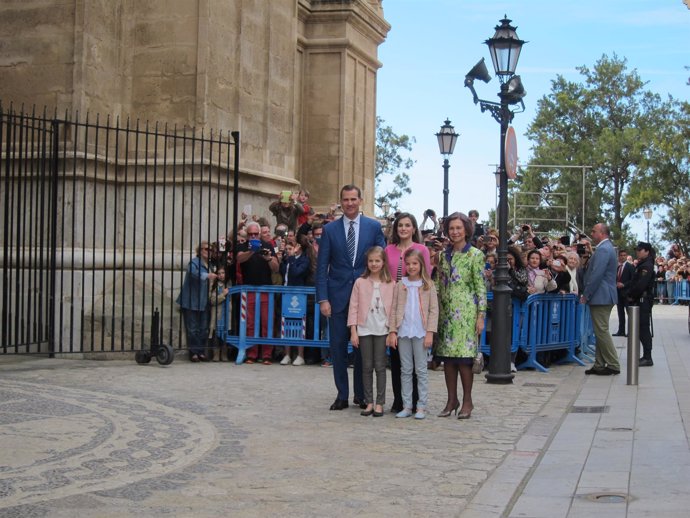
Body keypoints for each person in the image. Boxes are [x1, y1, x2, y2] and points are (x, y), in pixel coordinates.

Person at [316, 184, 386, 411]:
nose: (350, 203)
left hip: (365, 300)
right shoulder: (330, 230)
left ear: (361, 201)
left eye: (353, 199)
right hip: (336, 299)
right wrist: (323, 299)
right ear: (341, 202)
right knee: (337, 348)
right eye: (345, 199)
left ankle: (361, 395)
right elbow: (321, 267)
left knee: (362, 351)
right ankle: (341, 394)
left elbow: (381, 260)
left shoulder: (373, 227)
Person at [434, 212, 487, 420]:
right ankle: (451, 399)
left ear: (466, 229)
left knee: (464, 360)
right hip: (446, 313)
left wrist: (481, 315)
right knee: (448, 359)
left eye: (458, 228)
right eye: (451, 228)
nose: (455, 232)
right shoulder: (443, 255)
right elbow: (439, 282)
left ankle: (467, 401)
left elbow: (480, 286)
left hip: (466, 313)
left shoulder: (475, 254)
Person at [384, 212, 432, 413]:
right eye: (400, 225)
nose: (403, 228)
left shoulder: (421, 250)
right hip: (394, 304)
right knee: (398, 360)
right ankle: (400, 400)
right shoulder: (389, 250)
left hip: (414, 306)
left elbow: (426, 278)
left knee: (417, 362)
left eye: (407, 225)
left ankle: (416, 401)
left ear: (413, 228)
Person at [387, 248, 439, 420]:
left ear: (421, 264)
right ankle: (407, 404)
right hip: (403, 332)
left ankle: (422, 405)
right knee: (406, 370)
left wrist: (430, 332)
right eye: (408, 264)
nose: (411, 267)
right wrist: (393, 331)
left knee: (421, 369)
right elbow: (394, 309)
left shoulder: (428, 285)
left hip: (420, 332)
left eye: (415, 263)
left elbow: (433, 310)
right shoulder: (400, 284)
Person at [347, 246, 395, 417]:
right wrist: (353, 330)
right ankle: (368, 401)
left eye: (377, 261)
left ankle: (380, 403)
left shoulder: (390, 283)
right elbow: (353, 307)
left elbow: (394, 309)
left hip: (382, 330)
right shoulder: (360, 282)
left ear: (383, 262)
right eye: (371, 261)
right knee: (366, 366)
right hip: (364, 329)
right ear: (367, 263)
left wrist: (392, 331)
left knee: (380, 366)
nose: (374, 264)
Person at [236, 221, 279, 364]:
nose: (253, 236)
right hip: (249, 290)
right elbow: (239, 258)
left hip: (266, 289)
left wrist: (268, 258)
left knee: (267, 322)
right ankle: (251, 353)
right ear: (247, 235)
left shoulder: (267, 246)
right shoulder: (243, 246)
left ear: (260, 234)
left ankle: (267, 354)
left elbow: (276, 268)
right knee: (249, 323)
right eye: (250, 234)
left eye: (256, 234)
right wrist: (251, 251)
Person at [581, 223, 620, 375]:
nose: (591, 233)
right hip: (603, 295)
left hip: (600, 296)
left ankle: (613, 363)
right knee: (599, 331)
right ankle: (599, 363)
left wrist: (586, 294)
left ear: (602, 233)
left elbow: (596, 274)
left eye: (594, 231)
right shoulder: (606, 248)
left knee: (602, 331)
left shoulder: (604, 249)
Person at [176, 241, 217, 362]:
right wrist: (206, 276)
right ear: (199, 251)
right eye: (206, 249)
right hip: (191, 301)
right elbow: (193, 273)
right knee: (192, 328)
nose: (208, 252)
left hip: (204, 301)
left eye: (210, 250)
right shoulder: (194, 262)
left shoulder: (210, 265)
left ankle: (200, 351)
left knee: (204, 328)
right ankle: (194, 352)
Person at [279, 240, 311, 366]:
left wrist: (292, 258)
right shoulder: (287, 259)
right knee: (285, 323)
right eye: (287, 248)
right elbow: (283, 273)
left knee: (299, 324)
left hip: (298, 296)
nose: (288, 250)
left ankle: (300, 355)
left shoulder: (304, 260)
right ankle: (286, 354)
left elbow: (296, 273)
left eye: (291, 247)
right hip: (286, 293)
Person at [627, 242, 656, 367]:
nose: (637, 252)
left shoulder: (647, 266)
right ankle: (645, 355)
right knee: (639, 328)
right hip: (639, 299)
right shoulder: (643, 264)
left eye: (640, 250)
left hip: (642, 300)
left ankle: (647, 357)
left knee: (643, 328)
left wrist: (631, 295)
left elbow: (641, 285)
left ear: (647, 251)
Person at [209, 265, 230, 361]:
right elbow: (212, 300)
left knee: (226, 334)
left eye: (223, 273)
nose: (221, 275)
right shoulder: (214, 286)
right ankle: (216, 354)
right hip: (217, 314)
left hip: (227, 313)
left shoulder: (229, 284)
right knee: (216, 334)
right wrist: (223, 295)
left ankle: (224, 354)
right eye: (219, 273)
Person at [613, 249, 635, 336]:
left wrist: (624, 285)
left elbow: (633, 280)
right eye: (621, 255)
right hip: (618, 293)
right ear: (618, 256)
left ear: (626, 256)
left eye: (624, 255)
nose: (622, 257)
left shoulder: (630, 267)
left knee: (629, 313)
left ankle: (631, 331)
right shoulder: (617, 267)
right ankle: (621, 330)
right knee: (620, 312)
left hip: (627, 293)